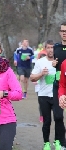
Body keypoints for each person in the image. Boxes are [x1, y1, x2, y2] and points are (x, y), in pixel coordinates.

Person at [30, 40, 56, 150]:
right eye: (48, 47)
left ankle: (58, 142)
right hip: (43, 95)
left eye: (53, 47)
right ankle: (46, 143)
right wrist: (41, 74)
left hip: (56, 95)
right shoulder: (40, 62)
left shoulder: (60, 61)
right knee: (47, 121)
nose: (51, 50)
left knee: (59, 119)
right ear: (45, 49)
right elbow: (32, 78)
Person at [52, 21, 66, 149]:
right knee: (57, 115)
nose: (64, 33)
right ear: (59, 32)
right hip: (58, 84)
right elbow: (50, 61)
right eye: (62, 31)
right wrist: (53, 64)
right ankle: (61, 142)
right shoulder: (55, 47)